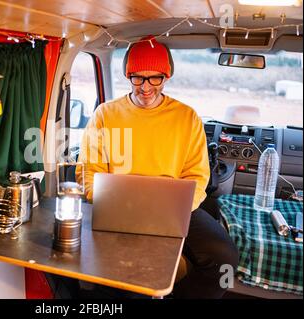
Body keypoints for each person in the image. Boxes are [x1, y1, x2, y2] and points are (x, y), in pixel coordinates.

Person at [74, 36, 239, 299]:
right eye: (138, 78)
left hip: (174, 207)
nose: (146, 87)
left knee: (224, 258)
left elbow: (198, 174)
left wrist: (179, 207)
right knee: (131, 275)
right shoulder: (105, 115)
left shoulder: (187, 117)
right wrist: (104, 200)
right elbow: (88, 171)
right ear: (128, 76)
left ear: (167, 76)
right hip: (120, 208)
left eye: (155, 78)